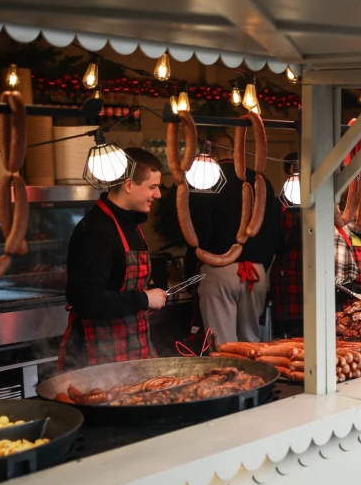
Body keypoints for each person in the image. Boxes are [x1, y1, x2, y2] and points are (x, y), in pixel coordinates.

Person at [59, 147, 166, 370]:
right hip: (97, 356)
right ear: (128, 185)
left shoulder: (131, 224)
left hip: (136, 347)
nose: (158, 195)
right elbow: (88, 300)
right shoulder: (95, 231)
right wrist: (144, 299)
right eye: (152, 187)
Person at [189, 130, 279, 346]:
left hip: (218, 269)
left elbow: (198, 230)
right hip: (256, 273)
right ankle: (256, 380)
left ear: (210, 152)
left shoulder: (203, 180)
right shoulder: (261, 181)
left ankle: (229, 380)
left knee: (223, 346)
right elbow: (275, 231)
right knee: (252, 343)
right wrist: (262, 265)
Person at [271, 153, 303, 339]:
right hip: (286, 275)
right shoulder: (277, 204)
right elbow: (273, 241)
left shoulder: (317, 201)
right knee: (289, 333)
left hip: (312, 274)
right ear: (291, 170)